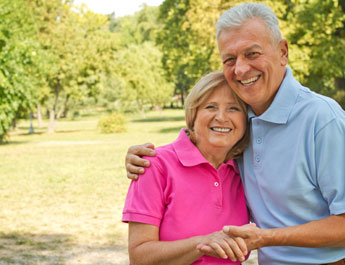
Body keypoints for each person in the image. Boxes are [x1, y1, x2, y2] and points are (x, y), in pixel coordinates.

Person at [125, 3, 345, 265]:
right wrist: (148, 158)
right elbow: (204, 137)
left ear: (282, 52)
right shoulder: (245, 122)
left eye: (252, 53)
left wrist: (266, 238)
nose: (240, 69)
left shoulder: (322, 118)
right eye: (229, 59)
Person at [122, 71, 251, 265]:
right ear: (193, 115)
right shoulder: (154, 165)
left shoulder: (246, 168)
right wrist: (202, 243)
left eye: (234, 108)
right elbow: (139, 257)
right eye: (210, 107)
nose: (221, 117)